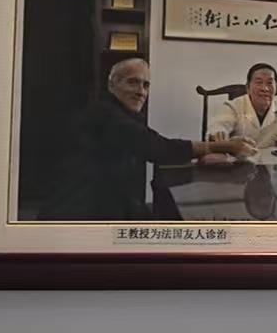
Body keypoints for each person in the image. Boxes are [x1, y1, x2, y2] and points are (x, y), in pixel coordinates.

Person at [42, 58, 256, 221]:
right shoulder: (105, 114)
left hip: (111, 200)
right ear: (112, 85)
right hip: (81, 213)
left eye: (146, 85)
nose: (141, 92)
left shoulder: (122, 112)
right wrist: (224, 146)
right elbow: (158, 148)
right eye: (133, 82)